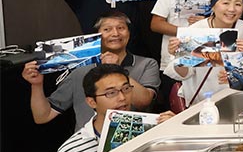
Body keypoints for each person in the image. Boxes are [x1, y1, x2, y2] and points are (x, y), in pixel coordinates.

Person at [23, 10, 161, 130]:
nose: (115, 33)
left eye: (121, 28)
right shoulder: (79, 68)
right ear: (96, 36)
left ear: (129, 33)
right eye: (107, 29)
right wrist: (36, 85)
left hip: (130, 137)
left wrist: (115, 69)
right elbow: (43, 116)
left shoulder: (147, 64)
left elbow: (144, 102)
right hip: (88, 142)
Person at [48, 64, 174, 152]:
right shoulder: (70, 151)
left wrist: (175, 134)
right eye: (111, 93)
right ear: (92, 102)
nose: (122, 97)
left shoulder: (155, 130)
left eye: (126, 89)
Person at [165, 0, 243, 107]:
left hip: (236, 100)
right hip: (200, 103)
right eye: (225, 3)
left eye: (238, 4)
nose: (232, 9)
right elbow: (184, 73)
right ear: (213, 6)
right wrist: (179, 57)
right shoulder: (196, 30)